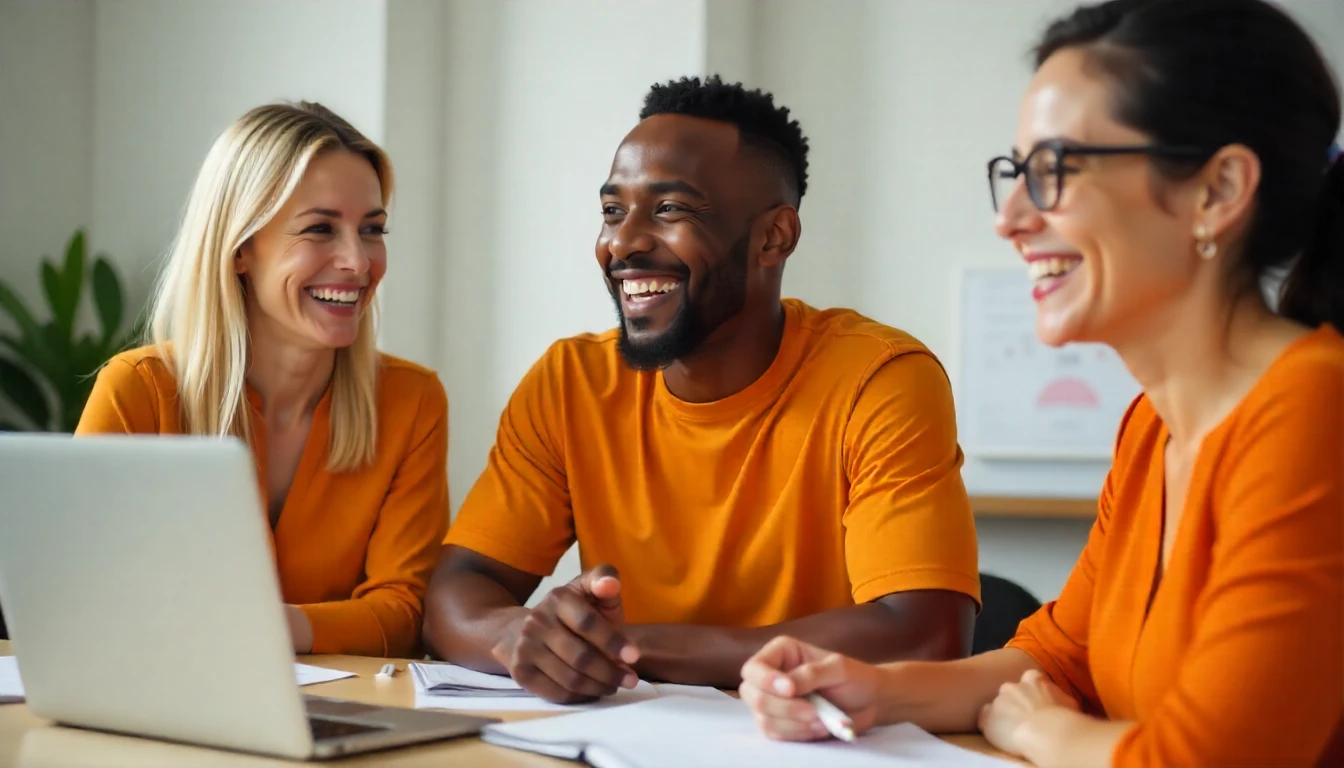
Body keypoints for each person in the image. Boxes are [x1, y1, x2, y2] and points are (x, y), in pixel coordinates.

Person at [739, 1, 1344, 766]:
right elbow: (1058, 658)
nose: (1011, 218)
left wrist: (1043, 732)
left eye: (1056, 169)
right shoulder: (1152, 426)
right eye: (1016, 174)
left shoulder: (1314, 411)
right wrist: (870, 688)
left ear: (1217, 191)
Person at [422, 76, 981, 703]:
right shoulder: (570, 382)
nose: (623, 242)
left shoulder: (879, 379)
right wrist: (520, 633)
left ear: (775, 237)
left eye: (669, 210)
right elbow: (457, 588)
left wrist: (622, 645)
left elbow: (925, 633)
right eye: (613, 211)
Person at [76, 102, 449, 659]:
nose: (358, 260)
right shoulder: (138, 392)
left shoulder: (411, 401)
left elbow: (402, 612)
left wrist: (261, 629)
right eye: (320, 229)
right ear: (241, 248)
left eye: (372, 230)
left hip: (346, 722)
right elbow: (80, 595)